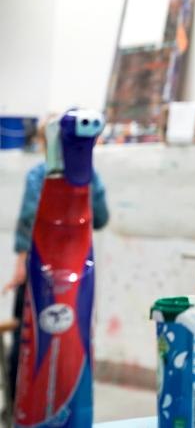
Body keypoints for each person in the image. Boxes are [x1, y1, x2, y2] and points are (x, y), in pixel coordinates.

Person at [2, 156, 109, 405]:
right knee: (73, 335)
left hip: (39, 269)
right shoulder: (89, 174)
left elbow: (28, 219)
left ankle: (19, 405)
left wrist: (20, 264)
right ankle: (66, 402)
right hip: (76, 270)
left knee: (28, 335)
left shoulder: (39, 173)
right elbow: (101, 218)